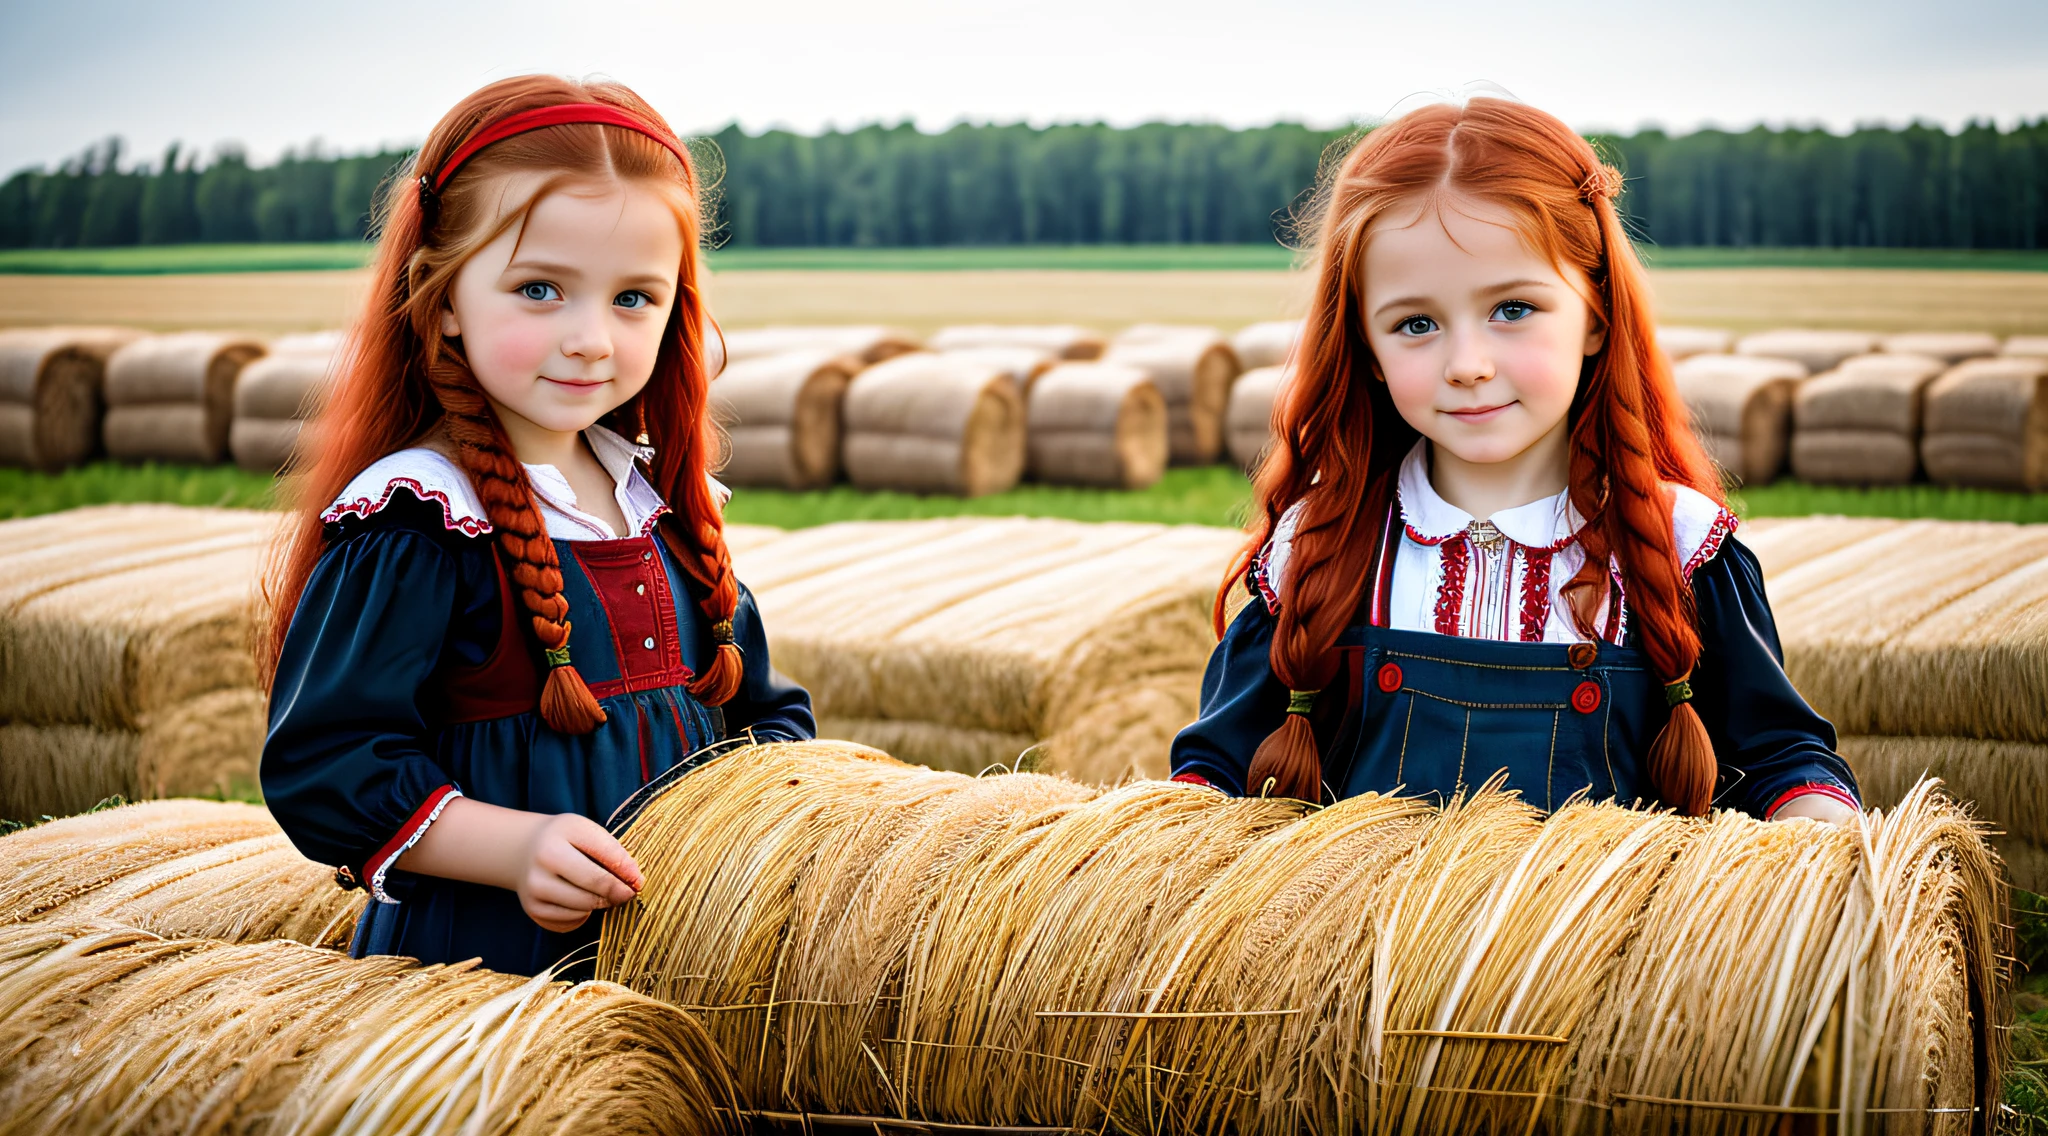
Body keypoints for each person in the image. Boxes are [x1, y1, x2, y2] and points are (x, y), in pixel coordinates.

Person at [1169, 97, 1858, 824]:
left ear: (1595, 314)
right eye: (1416, 324)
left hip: (1603, 940)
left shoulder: (1683, 549)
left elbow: (1779, 761)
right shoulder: (1316, 548)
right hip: (1369, 940)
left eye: (1513, 309)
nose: (1468, 364)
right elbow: (1218, 768)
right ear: (1367, 350)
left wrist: (1819, 837)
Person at [260, 76, 815, 977]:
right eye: (541, 289)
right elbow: (326, 765)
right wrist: (512, 849)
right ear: (440, 298)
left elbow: (766, 712)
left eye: (634, 297)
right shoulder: (421, 520)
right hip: (485, 971)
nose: (592, 337)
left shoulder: (660, 504)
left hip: (685, 968)